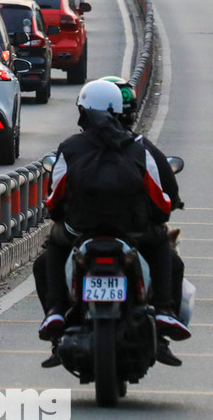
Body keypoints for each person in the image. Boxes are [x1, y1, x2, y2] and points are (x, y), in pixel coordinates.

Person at [36, 80, 190, 367]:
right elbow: (162, 196)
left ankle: (56, 311)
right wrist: (160, 217)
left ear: (83, 111)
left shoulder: (70, 147)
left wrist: (59, 218)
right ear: (121, 111)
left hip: (81, 231)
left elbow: (54, 197)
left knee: (48, 255)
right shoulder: (140, 147)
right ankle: (165, 312)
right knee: (166, 252)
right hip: (133, 232)